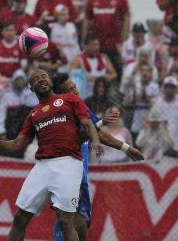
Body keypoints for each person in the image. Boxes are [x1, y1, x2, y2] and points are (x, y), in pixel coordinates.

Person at [0, 69, 103, 241]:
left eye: (44, 76)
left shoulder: (70, 100)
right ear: (31, 88)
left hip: (68, 163)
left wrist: (95, 141)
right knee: (20, 217)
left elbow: (88, 125)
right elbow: (18, 144)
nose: (41, 80)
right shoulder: (33, 114)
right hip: (43, 166)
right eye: (35, 79)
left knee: (66, 221)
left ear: (50, 82)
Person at [51, 72, 143, 241]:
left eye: (75, 87)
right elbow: (91, 133)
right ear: (61, 96)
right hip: (68, 174)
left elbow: (94, 129)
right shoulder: (61, 114)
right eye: (71, 90)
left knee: (79, 222)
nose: (76, 91)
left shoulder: (80, 107)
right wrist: (125, 147)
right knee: (71, 220)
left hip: (79, 175)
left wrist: (103, 125)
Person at [85, 0, 130, 78]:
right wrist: (85, 42)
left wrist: (124, 43)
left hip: (115, 46)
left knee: (118, 74)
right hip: (97, 47)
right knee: (97, 75)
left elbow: (126, 20)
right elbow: (86, 21)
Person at [0, 70, 37, 158]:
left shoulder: (30, 94)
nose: (20, 82)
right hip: (10, 132)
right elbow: (0, 117)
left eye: (22, 79)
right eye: (18, 80)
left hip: (25, 133)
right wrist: (2, 133)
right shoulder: (6, 96)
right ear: (14, 81)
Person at [151, 76, 178, 158]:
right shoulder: (156, 102)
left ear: (175, 89)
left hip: (177, 143)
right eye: (167, 86)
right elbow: (152, 121)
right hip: (160, 143)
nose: (169, 90)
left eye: (172, 87)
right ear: (163, 87)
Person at [70, 33, 117, 99]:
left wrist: (106, 77)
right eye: (94, 45)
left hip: (102, 92)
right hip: (85, 94)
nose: (97, 47)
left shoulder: (104, 57)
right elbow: (72, 75)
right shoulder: (78, 59)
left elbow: (114, 74)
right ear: (86, 46)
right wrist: (85, 76)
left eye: (98, 45)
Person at [50, 4, 81, 69]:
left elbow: (75, 44)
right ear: (57, 16)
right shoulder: (51, 27)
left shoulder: (72, 25)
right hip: (60, 62)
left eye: (66, 14)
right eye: (62, 14)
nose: (65, 16)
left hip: (74, 60)